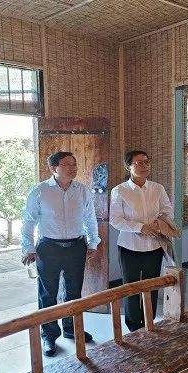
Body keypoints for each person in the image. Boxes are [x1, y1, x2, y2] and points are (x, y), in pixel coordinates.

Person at [21, 151, 100, 356]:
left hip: (76, 246)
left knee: (74, 292)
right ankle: (49, 335)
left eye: (74, 164)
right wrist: (28, 248)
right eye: (67, 164)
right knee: (48, 293)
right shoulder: (40, 191)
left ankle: (72, 328)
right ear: (53, 168)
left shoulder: (82, 190)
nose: (73, 168)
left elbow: (90, 219)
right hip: (48, 247)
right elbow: (28, 221)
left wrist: (93, 243)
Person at [110, 150, 174, 332]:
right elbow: (115, 219)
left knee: (152, 286)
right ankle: (133, 327)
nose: (144, 165)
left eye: (147, 162)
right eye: (139, 162)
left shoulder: (157, 188)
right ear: (128, 166)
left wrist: (158, 223)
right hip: (129, 247)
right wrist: (140, 227)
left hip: (154, 245)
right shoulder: (120, 190)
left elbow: (167, 212)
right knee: (131, 288)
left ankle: (149, 323)